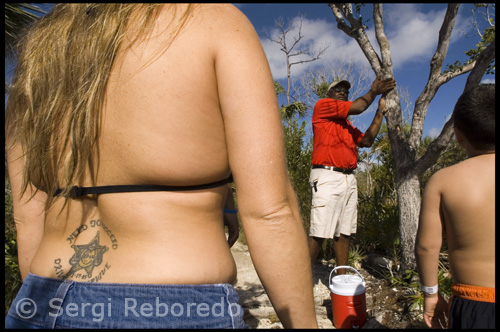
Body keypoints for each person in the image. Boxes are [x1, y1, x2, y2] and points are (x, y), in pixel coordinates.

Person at [5, 4, 318, 329]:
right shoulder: (215, 21)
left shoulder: (40, 48)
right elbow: (270, 212)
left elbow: (27, 216)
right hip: (171, 308)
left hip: (40, 299)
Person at [415, 84, 495, 329]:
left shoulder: (444, 180)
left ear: (458, 135)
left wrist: (431, 294)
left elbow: (426, 247)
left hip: (476, 303)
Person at [308, 76, 396, 274]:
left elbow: (366, 142)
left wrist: (380, 112)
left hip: (348, 178)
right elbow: (357, 107)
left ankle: (342, 279)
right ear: (329, 94)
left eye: (345, 91)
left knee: (343, 232)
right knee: (319, 231)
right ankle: (301, 283)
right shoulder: (323, 106)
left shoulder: (346, 125)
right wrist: (374, 90)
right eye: (337, 89)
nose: (342, 92)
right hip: (327, 175)